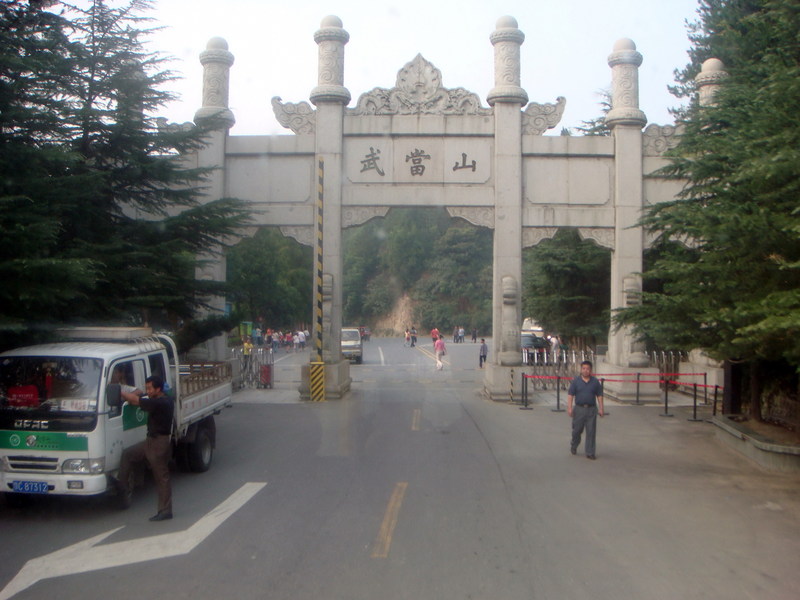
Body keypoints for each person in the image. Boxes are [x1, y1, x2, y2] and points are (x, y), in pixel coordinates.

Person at [117, 375, 175, 520]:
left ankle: (165, 511)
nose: (147, 391)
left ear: (158, 389)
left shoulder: (160, 403)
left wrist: (119, 392)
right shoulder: (159, 399)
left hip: (159, 443)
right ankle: (121, 487)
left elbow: (136, 400)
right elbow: (140, 396)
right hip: (150, 441)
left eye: (149, 388)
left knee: (161, 477)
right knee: (128, 454)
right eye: (146, 388)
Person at [567, 361, 605, 460]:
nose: (585, 370)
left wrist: (601, 408)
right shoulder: (576, 381)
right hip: (579, 409)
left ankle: (590, 452)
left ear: (591, 370)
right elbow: (570, 395)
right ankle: (574, 445)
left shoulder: (595, 382)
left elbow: (599, 395)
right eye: (583, 368)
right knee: (577, 431)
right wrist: (570, 408)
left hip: (591, 410)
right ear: (581, 369)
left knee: (591, 432)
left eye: (587, 369)